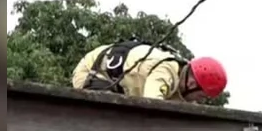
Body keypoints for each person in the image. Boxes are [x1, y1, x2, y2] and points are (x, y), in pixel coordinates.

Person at [71, 40, 227, 102]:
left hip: (116, 83)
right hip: (93, 72)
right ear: (192, 83)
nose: (199, 100)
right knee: (113, 118)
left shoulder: (180, 85)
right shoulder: (166, 71)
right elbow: (153, 105)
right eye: (201, 96)